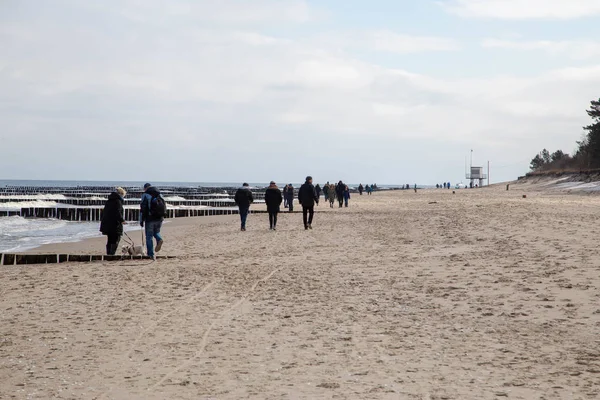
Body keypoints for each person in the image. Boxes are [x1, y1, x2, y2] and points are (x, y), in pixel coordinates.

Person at [140, 183, 166, 258]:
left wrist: (141, 220)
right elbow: (164, 206)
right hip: (160, 218)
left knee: (149, 236)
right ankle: (159, 239)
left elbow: (143, 208)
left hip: (150, 218)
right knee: (156, 232)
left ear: (145, 188)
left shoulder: (145, 195)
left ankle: (150, 254)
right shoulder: (159, 194)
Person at [100, 187, 126, 255]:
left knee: (110, 240)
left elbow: (104, 212)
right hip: (115, 224)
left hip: (107, 224)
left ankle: (108, 254)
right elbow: (118, 212)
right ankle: (112, 254)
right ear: (121, 194)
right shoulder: (118, 201)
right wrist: (122, 220)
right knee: (116, 239)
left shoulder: (109, 201)